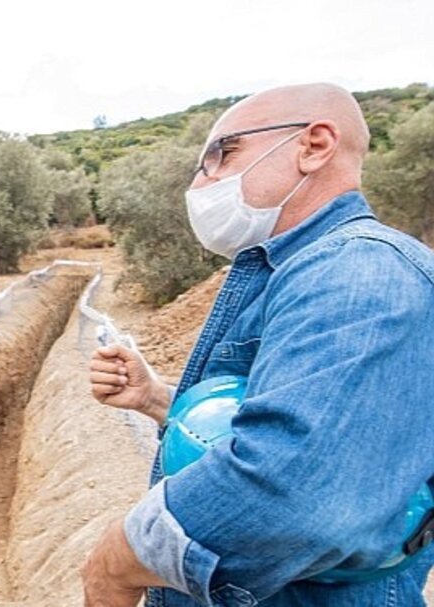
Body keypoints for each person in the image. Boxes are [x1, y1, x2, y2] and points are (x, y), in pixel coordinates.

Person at [82, 83, 434, 606]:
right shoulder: (302, 269)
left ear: (314, 145)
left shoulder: (358, 273)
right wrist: (158, 401)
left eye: (221, 155)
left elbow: (294, 492)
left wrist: (117, 560)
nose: (202, 182)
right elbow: (308, 421)